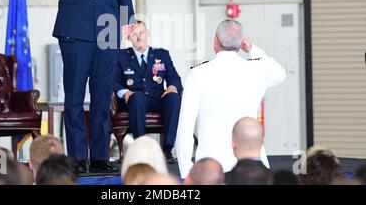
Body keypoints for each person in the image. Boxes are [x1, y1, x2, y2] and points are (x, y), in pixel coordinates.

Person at [50, 0, 135, 174]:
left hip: (109, 27)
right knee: (74, 97)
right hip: (75, 29)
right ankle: (76, 159)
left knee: (101, 95)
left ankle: (99, 157)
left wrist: (127, 20)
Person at [175, 19, 287, 178]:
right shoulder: (257, 69)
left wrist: (186, 173)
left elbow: (185, 127)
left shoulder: (198, 74)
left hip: (211, 169)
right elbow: (280, 74)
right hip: (251, 167)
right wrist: (252, 49)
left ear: (215, 41)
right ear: (241, 42)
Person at [114, 21, 182, 163]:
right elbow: (112, 81)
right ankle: (140, 149)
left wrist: (172, 87)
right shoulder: (121, 56)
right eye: (134, 34)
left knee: (174, 98)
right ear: (128, 38)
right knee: (137, 97)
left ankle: (168, 150)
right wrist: (124, 92)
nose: (139, 37)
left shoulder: (161, 55)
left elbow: (174, 78)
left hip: (158, 98)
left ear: (148, 34)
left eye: (142, 33)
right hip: (134, 101)